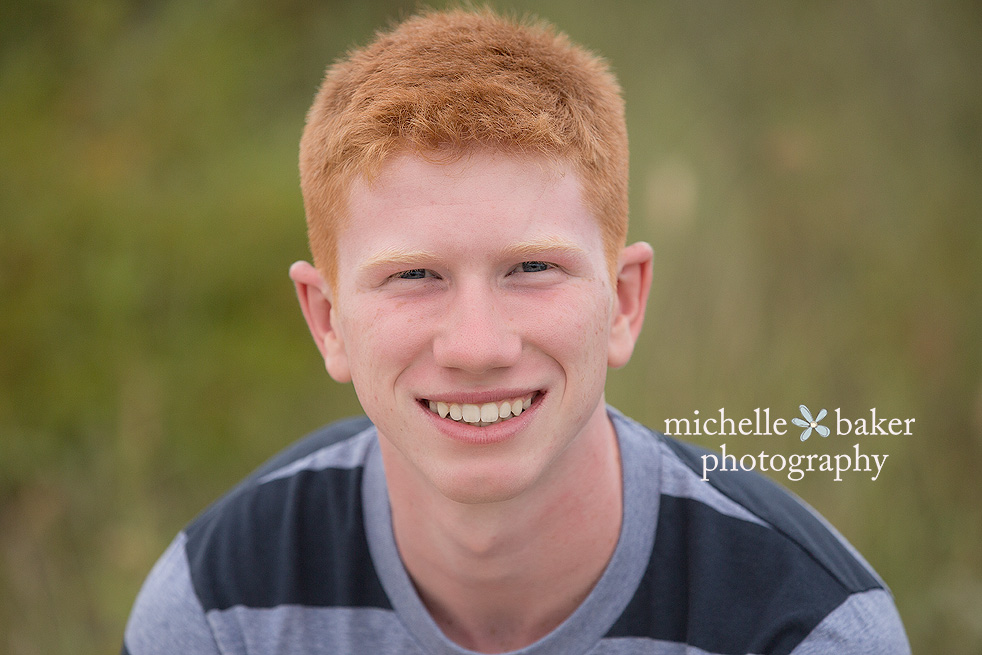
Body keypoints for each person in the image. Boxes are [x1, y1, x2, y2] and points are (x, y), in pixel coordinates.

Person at [122, 8, 910, 654]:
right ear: (328, 320)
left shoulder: (808, 626)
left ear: (625, 302)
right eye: (414, 275)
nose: (478, 346)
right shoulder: (217, 608)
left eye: (532, 268)